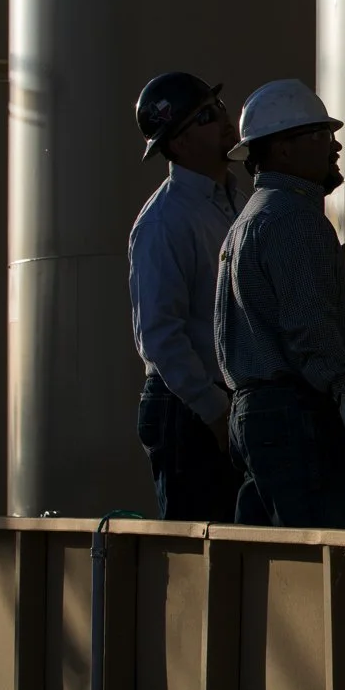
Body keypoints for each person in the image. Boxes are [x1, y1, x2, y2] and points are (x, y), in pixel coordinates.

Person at [214, 79, 345, 528]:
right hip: (296, 418)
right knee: (311, 563)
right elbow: (309, 323)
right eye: (321, 135)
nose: (336, 146)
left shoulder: (252, 217)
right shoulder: (292, 218)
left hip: (261, 418)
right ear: (283, 150)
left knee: (265, 569)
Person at [128, 72, 247, 521]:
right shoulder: (165, 222)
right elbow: (160, 336)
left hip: (223, 402)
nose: (223, 120)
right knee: (203, 557)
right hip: (189, 409)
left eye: (217, 108)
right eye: (205, 117)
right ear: (176, 144)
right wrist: (215, 413)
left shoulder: (235, 201)